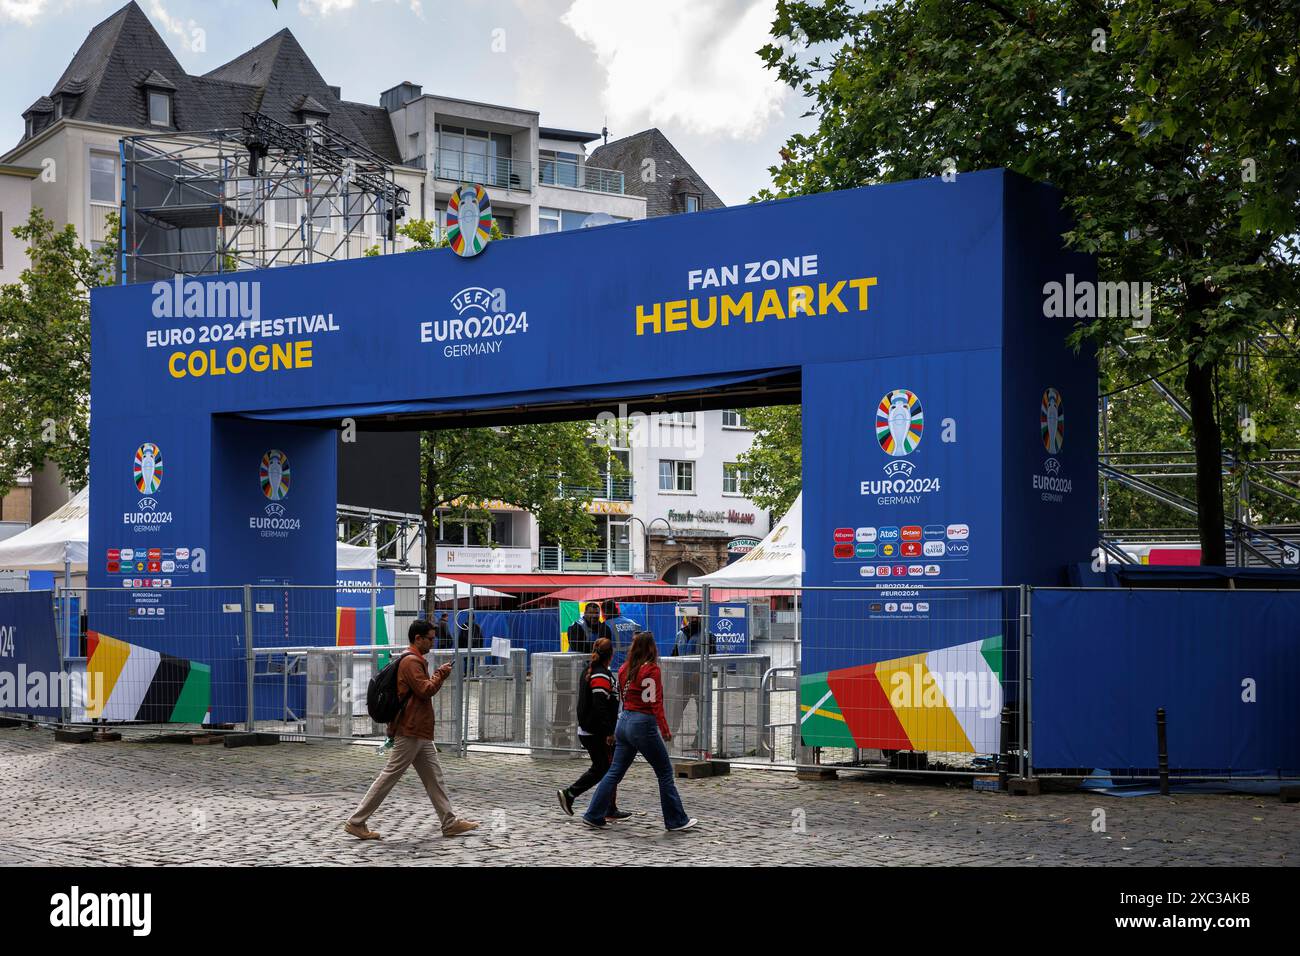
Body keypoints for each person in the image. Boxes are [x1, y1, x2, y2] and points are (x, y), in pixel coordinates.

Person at [344, 619, 480, 840]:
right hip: (411, 729)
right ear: (418, 638)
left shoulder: (413, 660)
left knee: (435, 778)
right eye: (430, 639)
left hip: (419, 731)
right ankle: (356, 822)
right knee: (389, 776)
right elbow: (425, 690)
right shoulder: (411, 662)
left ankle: (449, 822)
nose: (432, 643)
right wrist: (440, 675)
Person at [581, 630, 697, 832]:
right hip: (643, 724)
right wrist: (665, 729)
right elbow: (655, 703)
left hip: (623, 722)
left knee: (614, 772)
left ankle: (593, 814)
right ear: (652, 648)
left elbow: (623, 698)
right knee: (664, 772)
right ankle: (676, 820)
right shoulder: (652, 670)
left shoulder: (625, 668)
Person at [556, 637, 630, 821]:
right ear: (611, 655)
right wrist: (609, 732)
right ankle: (571, 794)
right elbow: (600, 705)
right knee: (603, 768)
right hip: (596, 732)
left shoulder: (591, 671)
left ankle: (609, 807)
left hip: (590, 729)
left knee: (606, 768)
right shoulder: (599, 674)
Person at [601, 598, 640, 668]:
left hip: (616, 664)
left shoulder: (606, 625)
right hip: (634, 663)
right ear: (616, 609)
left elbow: (603, 648)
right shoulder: (632, 623)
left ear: (604, 611)